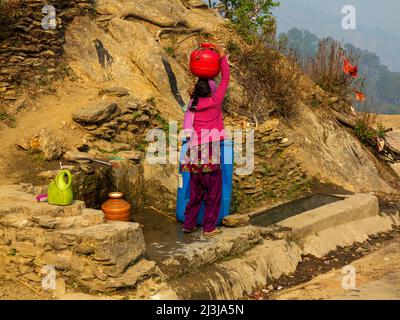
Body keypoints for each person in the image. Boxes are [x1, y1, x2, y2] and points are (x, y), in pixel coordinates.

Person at [180, 44, 230, 238]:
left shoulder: (192, 104)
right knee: (213, 193)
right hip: (210, 151)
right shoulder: (214, 102)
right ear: (211, 90)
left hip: (193, 154)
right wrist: (222, 56)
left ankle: (189, 224)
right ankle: (209, 228)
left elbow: (187, 125)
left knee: (195, 193)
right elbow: (225, 78)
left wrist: (193, 94)